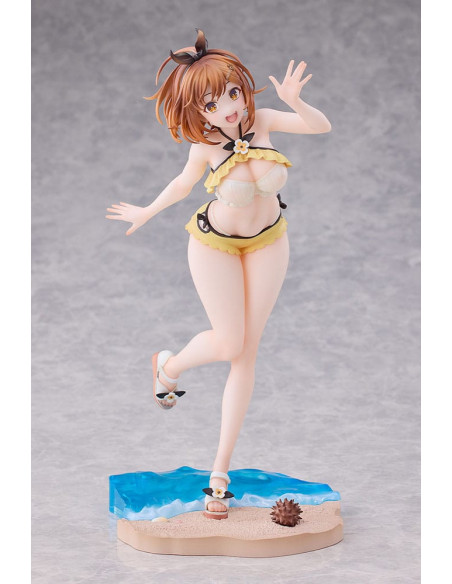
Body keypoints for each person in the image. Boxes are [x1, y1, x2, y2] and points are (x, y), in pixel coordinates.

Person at [106, 29, 331, 520]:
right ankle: (169, 367)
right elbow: (181, 185)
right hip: (214, 246)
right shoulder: (203, 145)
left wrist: (296, 101)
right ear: (199, 112)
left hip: (269, 243)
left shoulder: (264, 119)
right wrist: (146, 211)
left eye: (233, 93)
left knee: (246, 353)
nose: (229, 108)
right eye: (213, 103)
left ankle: (220, 475)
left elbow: (320, 127)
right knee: (229, 343)